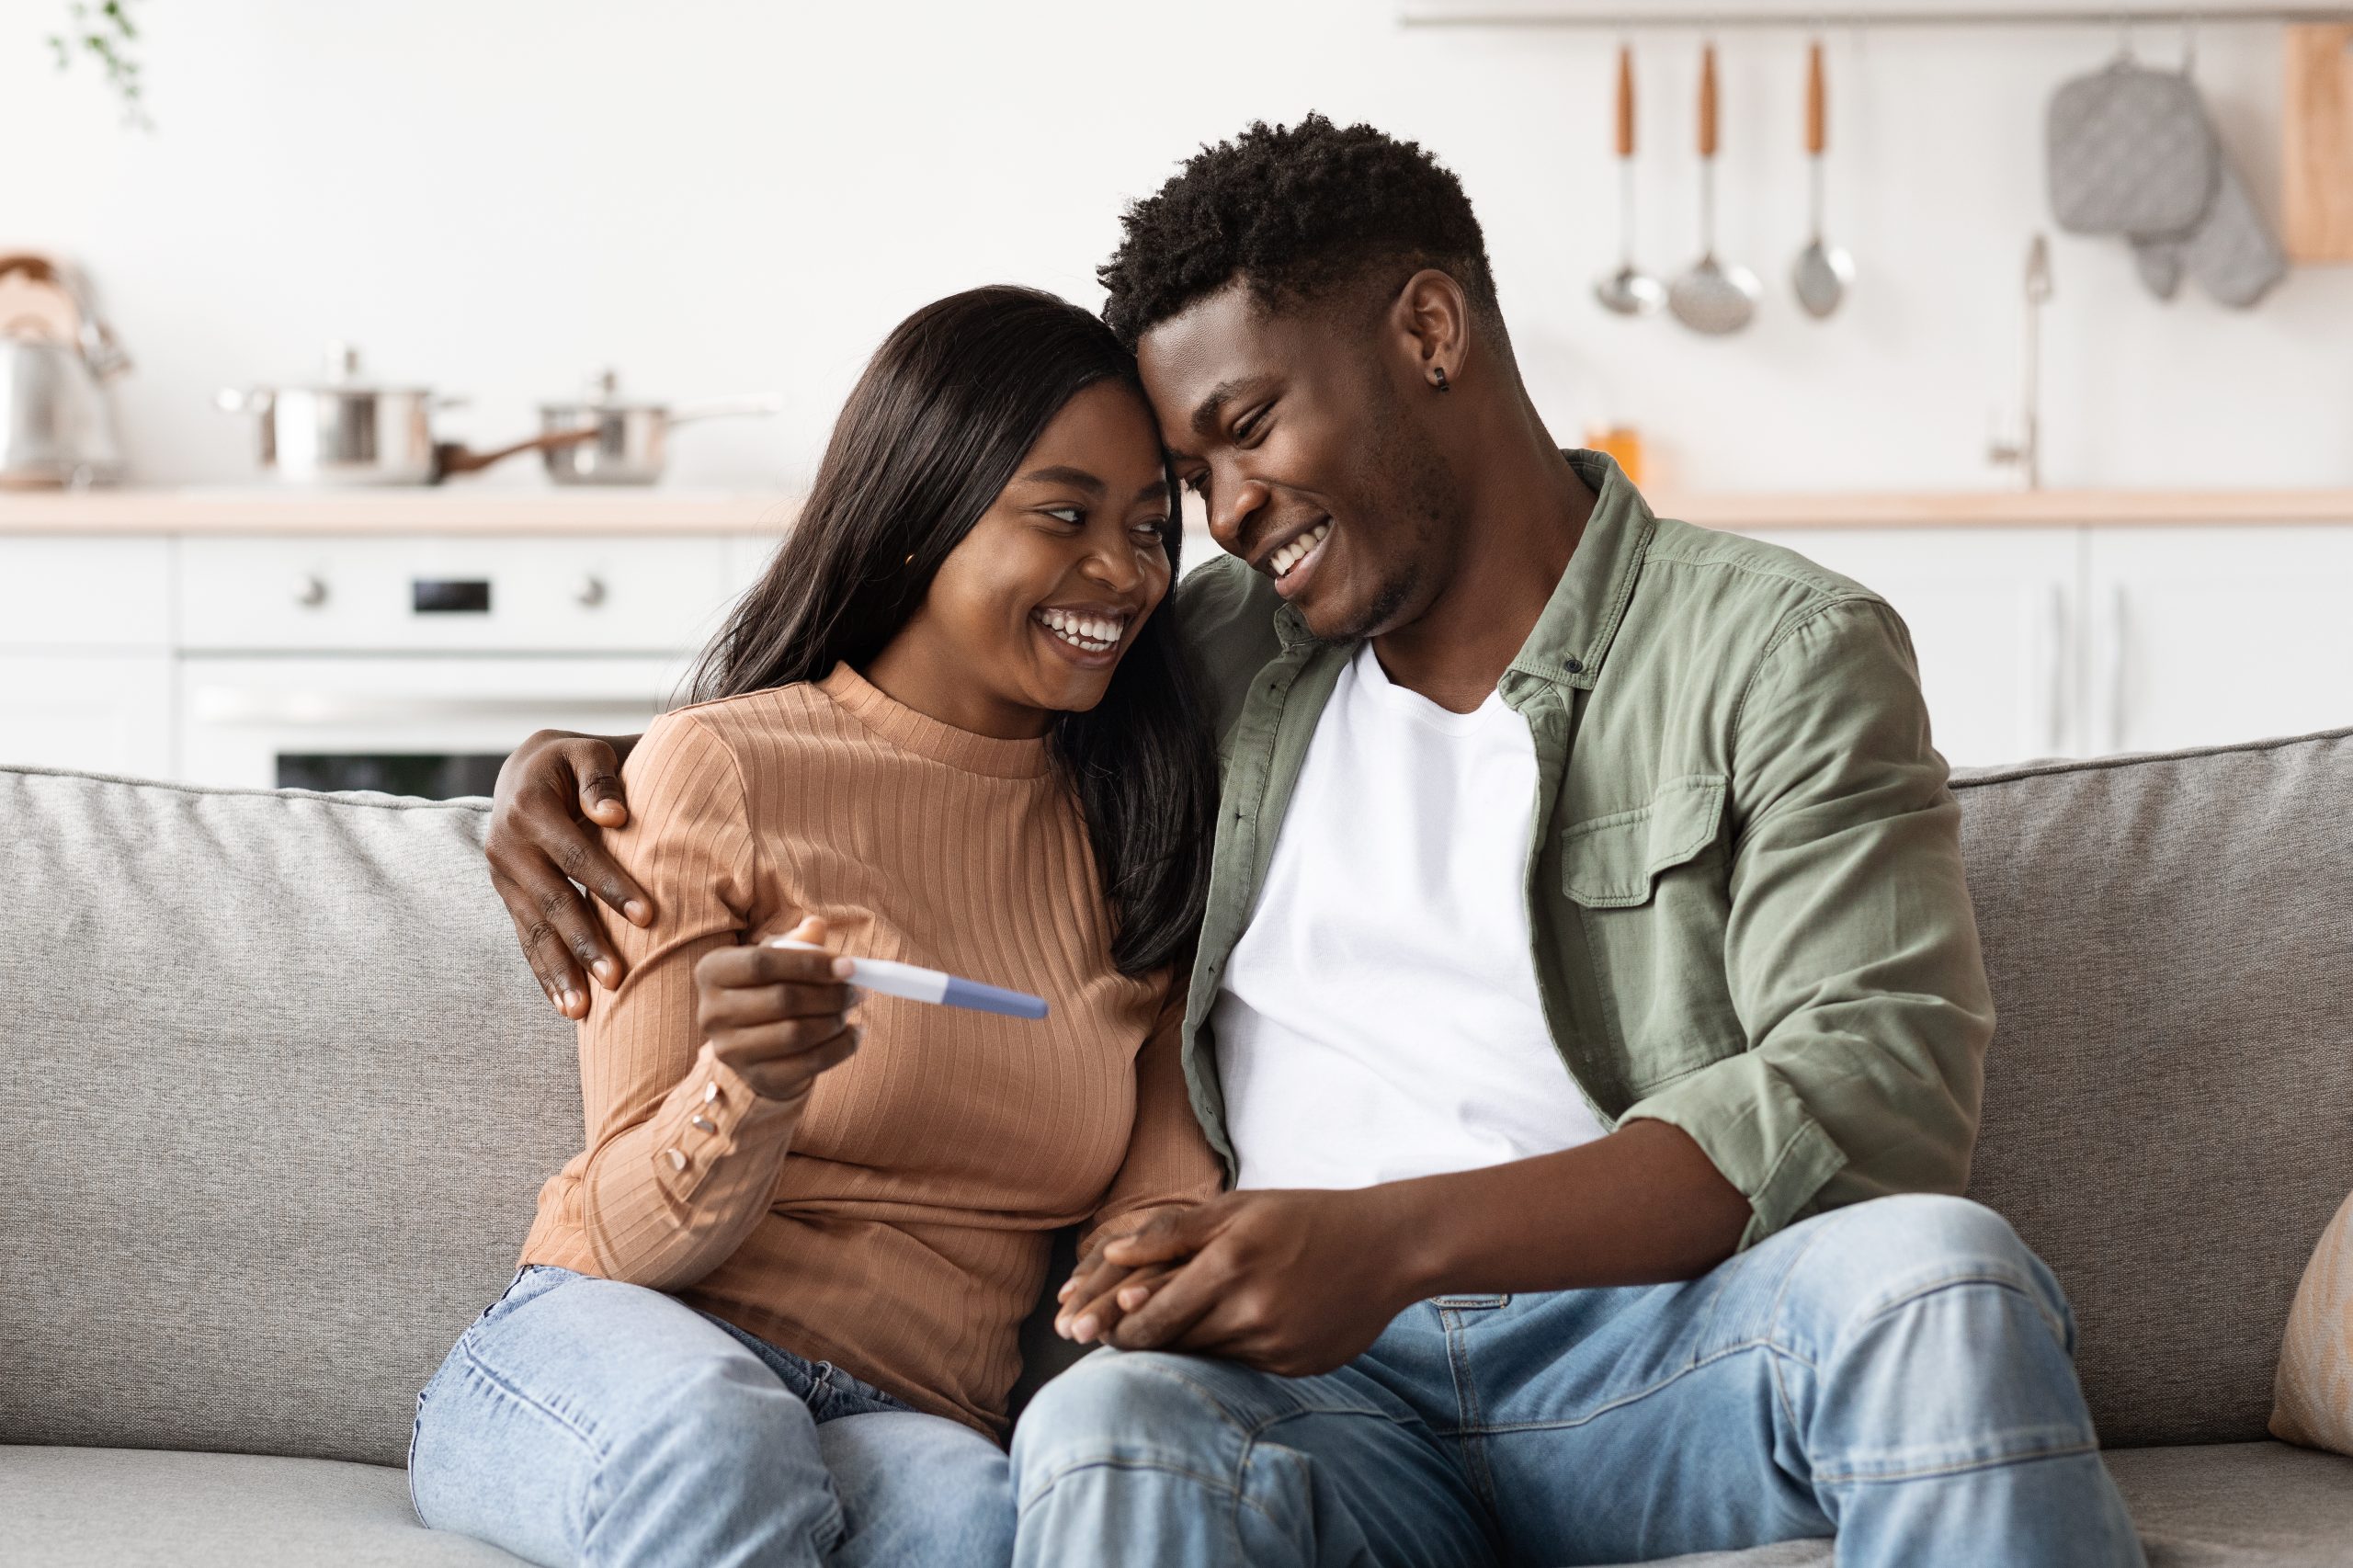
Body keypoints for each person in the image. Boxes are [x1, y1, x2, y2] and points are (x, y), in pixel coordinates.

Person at [487, 119, 2143, 1568]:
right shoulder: (1210, 662)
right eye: (1189, 480)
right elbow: (922, 724)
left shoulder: (1775, 651)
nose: (1219, 516)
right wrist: (594, 769)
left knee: (1942, 1277)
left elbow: (1878, 1088)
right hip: (1305, 1399)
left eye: (1248, 427)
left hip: (1660, 1354)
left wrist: (1390, 1240)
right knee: (1108, 1432)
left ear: (1428, 328)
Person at [409, 285, 1222, 1568]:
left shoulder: (1144, 834)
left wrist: (1170, 1276)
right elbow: (624, 1236)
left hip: (912, 1414)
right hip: (624, 1352)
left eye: (1148, 525)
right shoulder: (718, 769)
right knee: (724, 1434)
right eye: (1064, 514)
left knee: (982, 1521)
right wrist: (745, 1085)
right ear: (917, 519)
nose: (1124, 570)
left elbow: (1156, 1212)